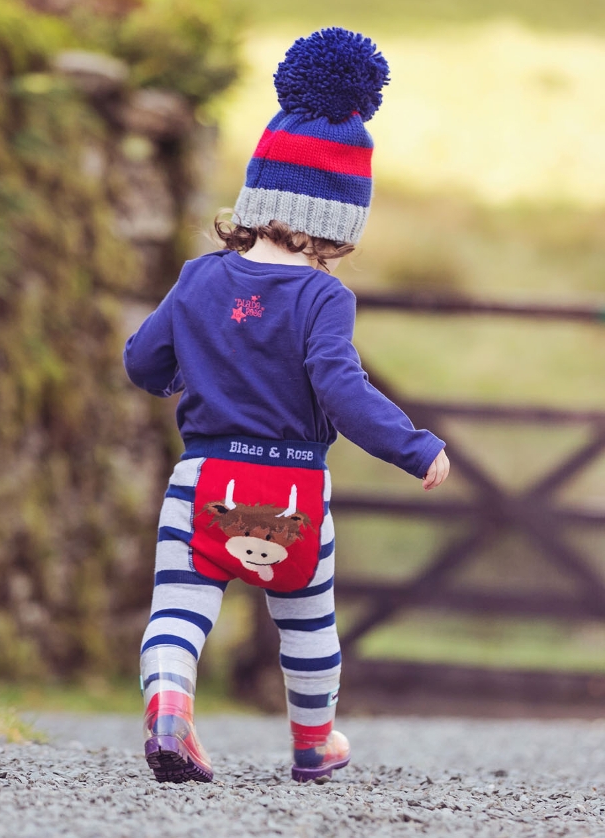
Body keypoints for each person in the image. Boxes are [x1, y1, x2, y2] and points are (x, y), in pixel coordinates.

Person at [123, 26, 449, 785]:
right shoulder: (323, 296)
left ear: (258, 192)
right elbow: (342, 388)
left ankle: (170, 707)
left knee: (178, 607)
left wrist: (182, 373)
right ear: (341, 223)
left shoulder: (199, 277)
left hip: (202, 482)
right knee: (307, 623)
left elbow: (144, 361)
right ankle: (314, 744)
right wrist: (414, 446)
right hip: (292, 489)